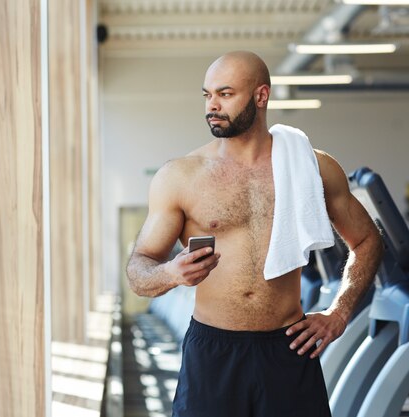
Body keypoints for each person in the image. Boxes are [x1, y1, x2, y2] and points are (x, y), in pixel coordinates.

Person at [126, 51, 383, 417]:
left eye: (225, 94)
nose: (212, 106)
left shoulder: (312, 168)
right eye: (207, 95)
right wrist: (170, 273)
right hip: (213, 352)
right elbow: (138, 269)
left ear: (261, 96)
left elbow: (368, 240)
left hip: (290, 347)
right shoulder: (181, 177)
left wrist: (339, 313)